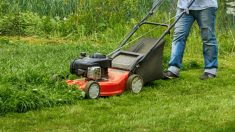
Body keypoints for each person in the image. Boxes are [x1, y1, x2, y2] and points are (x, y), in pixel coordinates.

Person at [164, 0, 219, 80]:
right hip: (183, 6)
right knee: (178, 37)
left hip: (206, 6)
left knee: (208, 38)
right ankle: (173, 70)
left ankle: (211, 70)